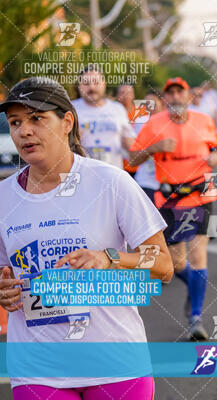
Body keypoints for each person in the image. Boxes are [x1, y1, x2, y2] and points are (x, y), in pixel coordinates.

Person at [0, 76, 173, 399]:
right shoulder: (3, 198)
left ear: (67, 122)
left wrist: (109, 258)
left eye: (37, 119)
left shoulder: (110, 182)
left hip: (115, 362)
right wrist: (3, 288)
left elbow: (163, 265)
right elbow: (2, 272)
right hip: (38, 367)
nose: (24, 131)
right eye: (15, 122)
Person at [129, 77, 217, 340]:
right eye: (169, 94)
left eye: (179, 93)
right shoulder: (154, 124)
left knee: (198, 256)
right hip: (169, 196)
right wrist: (154, 148)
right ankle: (193, 288)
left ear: (188, 96)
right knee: (174, 262)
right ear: (165, 99)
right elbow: (132, 158)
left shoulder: (204, 120)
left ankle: (196, 317)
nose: (175, 98)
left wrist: (216, 156)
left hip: (201, 193)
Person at [73, 65, 136, 169]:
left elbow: (131, 146)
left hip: (113, 175)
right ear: (79, 86)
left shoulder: (118, 109)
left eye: (96, 82)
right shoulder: (71, 108)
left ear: (104, 84)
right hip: (83, 174)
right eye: (86, 83)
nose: (91, 87)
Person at [133, 90, 165, 200]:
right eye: (147, 105)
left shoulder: (171, 122)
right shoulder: (140, 123)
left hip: (167, 183)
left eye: (153, 104)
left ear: (162, 103)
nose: (150, 108)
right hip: (145, 182)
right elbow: (134, 154)